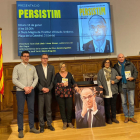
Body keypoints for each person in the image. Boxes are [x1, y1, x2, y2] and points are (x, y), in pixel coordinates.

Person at [12, 51, 39, 138]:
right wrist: (24, 87)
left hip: (31, 91)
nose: (26, 58)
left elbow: (36, 78)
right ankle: (20, 130)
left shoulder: (32, 67)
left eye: (28, 56)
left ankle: (32, 127)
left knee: (31, 109)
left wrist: (31, 87)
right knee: (20, 111)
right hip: (20, 91)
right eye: (24, 56)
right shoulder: (17, 67)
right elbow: (14, 80)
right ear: (21, 57)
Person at [114, 53, 138, 123]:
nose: (121, 58)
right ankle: (126, 117)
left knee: (131, 103)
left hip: (130, 86)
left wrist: (133, 77)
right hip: (121, 87)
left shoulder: (130, 64)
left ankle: (131, 116)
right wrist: (116, 77)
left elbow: (135, 72)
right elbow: (113, 75)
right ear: (117, 59)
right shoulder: (115, 66)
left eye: (122, 57)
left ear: (124, 58)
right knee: (124, 103)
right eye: (120, 57)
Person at [35, 54, 55, 132]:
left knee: (49, 109)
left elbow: (53, 80)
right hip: (40, 92)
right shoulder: (37, 68)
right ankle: (42, 125)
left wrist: (49, 88)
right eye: (43, 58)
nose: (45, 59)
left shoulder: (51, 67)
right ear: (41, 59)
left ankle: (49, 124)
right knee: (40, 110)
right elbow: (35, 80)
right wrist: (41, 88)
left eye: (46, 58)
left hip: (48, 92)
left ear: (48, 59)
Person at [54, 62, 76, 130]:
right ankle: (64, 122)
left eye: (64, 67)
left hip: (68, 93)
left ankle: (69, 122)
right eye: (61, 67)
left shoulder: (69, 74)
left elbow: (73, 82)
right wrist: (62, 84)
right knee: (62, 108)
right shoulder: (57, 75)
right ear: (59, 68)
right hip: (60, 94)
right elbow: (55, 84)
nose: (63, 68)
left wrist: (76, 86)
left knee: (69, 108)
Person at [97, 58, 120, 124]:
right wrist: (100, 85)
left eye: (108, 62)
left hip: (113, 90)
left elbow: (118, 78)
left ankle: (114, 118)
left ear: (110, 63)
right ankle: (108, 119)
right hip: (105, 90)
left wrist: (114, 81)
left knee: (113, 105)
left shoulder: (114, 70)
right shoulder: (101, 71)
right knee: (107, 105)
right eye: (106, 62)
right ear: (104, 64)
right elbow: (98, 80)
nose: (107, 64)